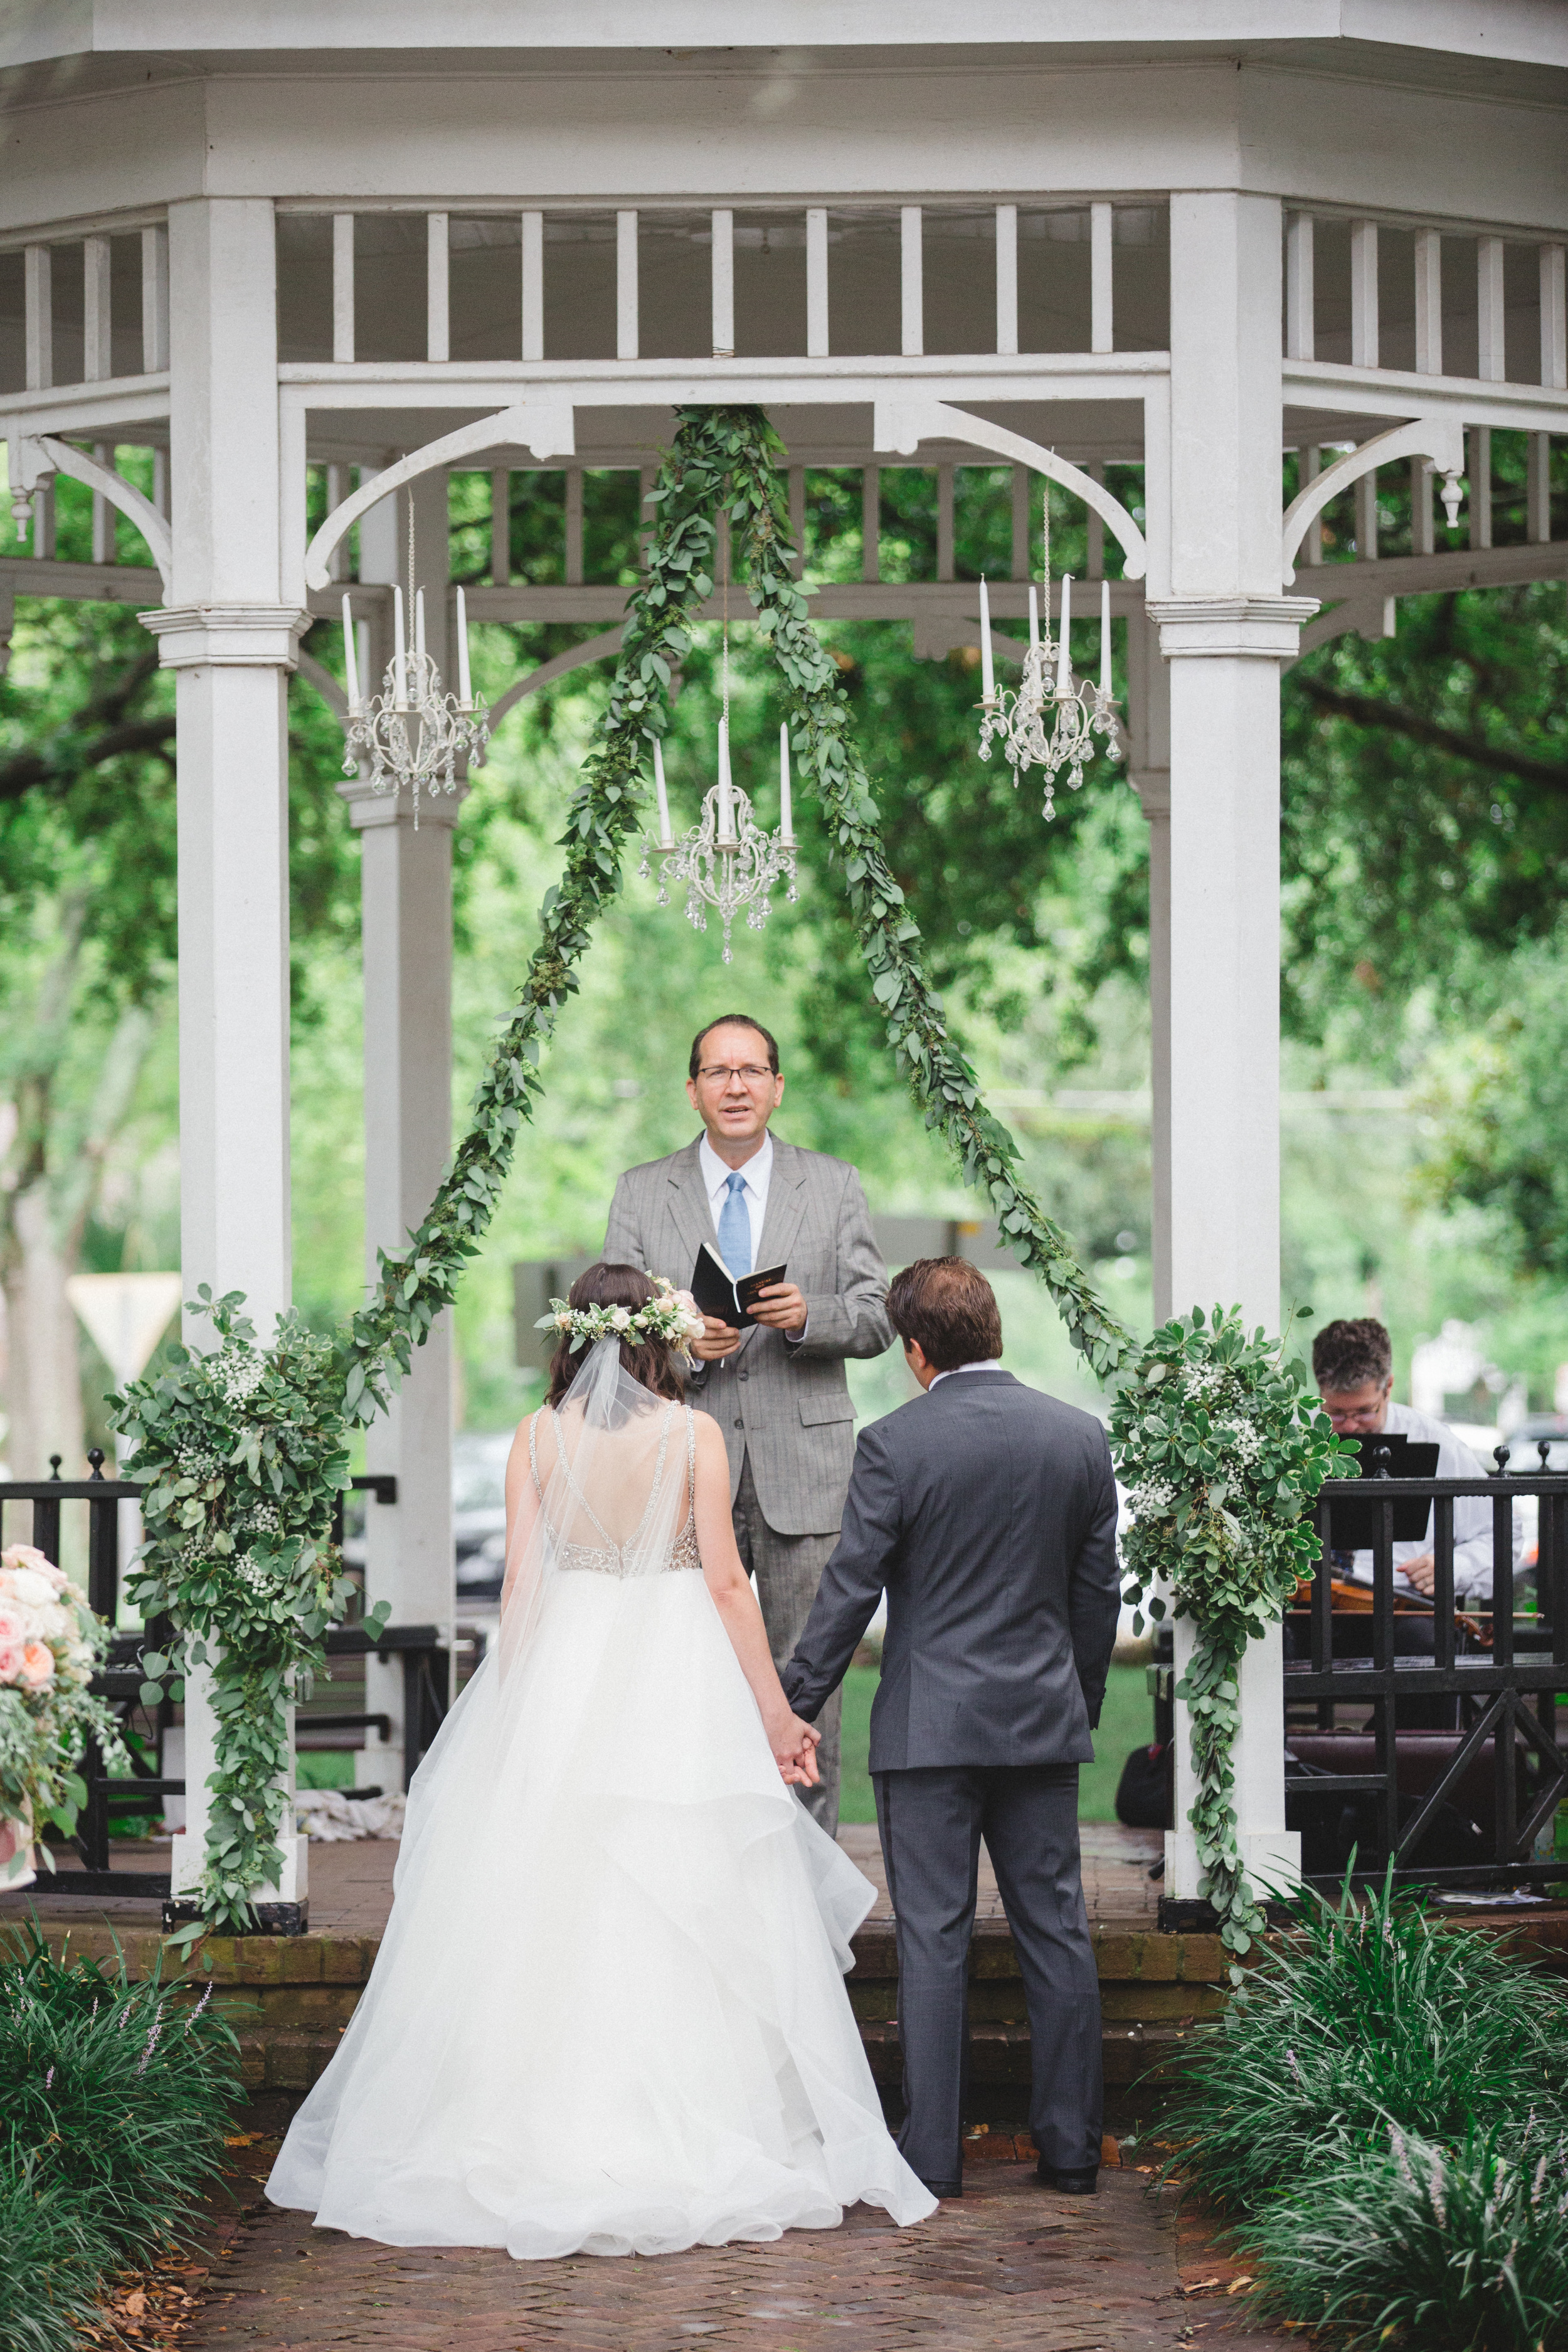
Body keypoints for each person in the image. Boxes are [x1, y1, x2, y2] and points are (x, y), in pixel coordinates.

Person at [267, 1264, 935, 2258]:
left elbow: (523, 1588)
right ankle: (705, 2120)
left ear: (574, 1336)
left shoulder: (539, 1437)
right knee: (691, 1878)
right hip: (675, 1671)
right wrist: (777, 1711)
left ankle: (532, 2123)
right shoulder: (692, 1434)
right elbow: (724, 1584)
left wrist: (521, 1715)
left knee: (553, 1888)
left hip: (568, 1661)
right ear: (661, 1334)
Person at [781, 1258, 1121, 2203]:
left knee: (934, 1938)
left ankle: (933, 2153)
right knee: (1057, 1928)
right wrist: (1075, 1701)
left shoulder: (895, 1444)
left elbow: (851, 1588)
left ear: (916, 1351)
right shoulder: (1078, 1438)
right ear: (996, 1330)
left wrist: (793, 1702)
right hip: (1041, 1727)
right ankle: (1070, 2152)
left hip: (929, 1730)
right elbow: (1099, 1596)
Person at [603, 1014, 894, 1834]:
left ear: (777, 1086)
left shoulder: (833, 1184)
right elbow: (610, 1323)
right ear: (692, 1088)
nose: (736, 1085)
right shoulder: (639, 1189)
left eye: (752, 1070)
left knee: (812, 1681)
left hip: (805, 1474)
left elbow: (877, 1316)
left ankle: (805, 1882)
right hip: (682, 1468)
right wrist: (682, 1340)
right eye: (718, 1072)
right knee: (680, 1673)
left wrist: (812, 1315)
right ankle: (694, 1857)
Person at [1312, 1317, 1498, 1602]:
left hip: (1404, 1606)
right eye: (1335, 1413)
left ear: (1388, 1387)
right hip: (1309, 1605)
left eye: (1364, 1412)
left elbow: (1500, 1532)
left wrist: (1455, 1566)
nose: (1350, 1427)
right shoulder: (1295, 1438)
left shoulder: (1435, 1441)